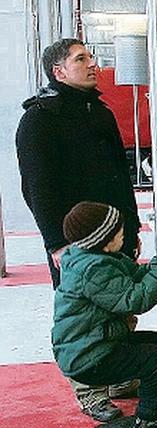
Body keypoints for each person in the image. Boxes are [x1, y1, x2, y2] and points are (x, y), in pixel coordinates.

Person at [15, 38, 142, 422]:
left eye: (91, 57)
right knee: (83, 321)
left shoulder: (99, 113)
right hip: (73, 243)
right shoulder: (39, 119)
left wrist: (132, 230)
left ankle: (116, 378)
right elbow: (37, 189)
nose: (93, 64)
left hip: (114, 234)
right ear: (59, 72)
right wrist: (56, 244)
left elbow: (122, 179)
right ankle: (89, 391)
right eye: (81, 59)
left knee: (121, 310)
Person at [52, 202, 157, 428]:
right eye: (120, 234)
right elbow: (135, 299)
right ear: (104, 241)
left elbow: (138, 274)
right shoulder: (93, 270)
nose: (124, 237)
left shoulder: (96, 258)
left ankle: (154, 399)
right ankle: (149, 419)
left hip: (94, 345)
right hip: (89, 358)